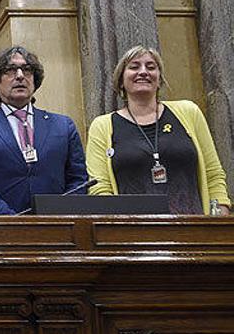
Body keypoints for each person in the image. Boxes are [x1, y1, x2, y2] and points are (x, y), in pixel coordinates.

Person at [85, 45, 230, 215]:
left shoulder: (189, 112)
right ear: (121, 80)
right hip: (133, 234)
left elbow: (213, 172)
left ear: (159, 79)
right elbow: (100, 188)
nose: (143, 71)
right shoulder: (102, 126)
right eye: (134, 67)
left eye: (151, 67)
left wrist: (219, 217)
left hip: (194, 230)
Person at [0, 46, 87, 214]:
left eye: (27, 70)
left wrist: (59, 216)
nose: (20, 76)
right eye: (10, 70)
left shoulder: (63, 126)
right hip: (0, 230)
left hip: (58, 228)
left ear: (35, 81)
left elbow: (79, 180)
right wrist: (11, 220)